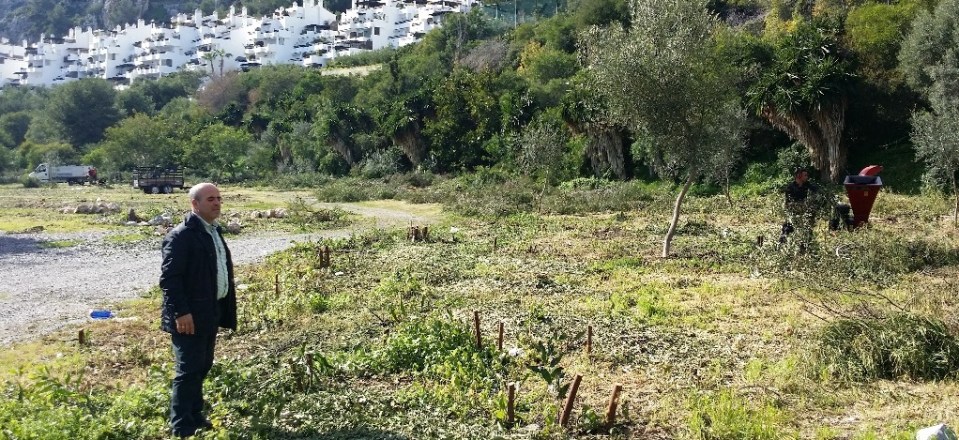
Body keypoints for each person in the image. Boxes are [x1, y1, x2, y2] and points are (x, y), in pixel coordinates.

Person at [159, 182, 237, 437]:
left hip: (209, 311)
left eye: (218, 198)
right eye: (210, 199)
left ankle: (194, 414)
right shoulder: (181, 236)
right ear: (195, 204)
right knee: (188, 369)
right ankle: (181, 425)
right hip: (188, 316)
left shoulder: (213, 231)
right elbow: (170, 279)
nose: (216, 203)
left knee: (202, 365)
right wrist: (181, 312)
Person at [780, 168, 818, 247]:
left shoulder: (806, 184)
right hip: (793, 207)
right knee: (790, 224)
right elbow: (788, 202)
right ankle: (784, 236)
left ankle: (806, 242)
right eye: (805, 175)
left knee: (809, 220)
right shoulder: (791, 187)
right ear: (798, 176)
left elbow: (815, 189)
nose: (807, 177)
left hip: (803, 208)